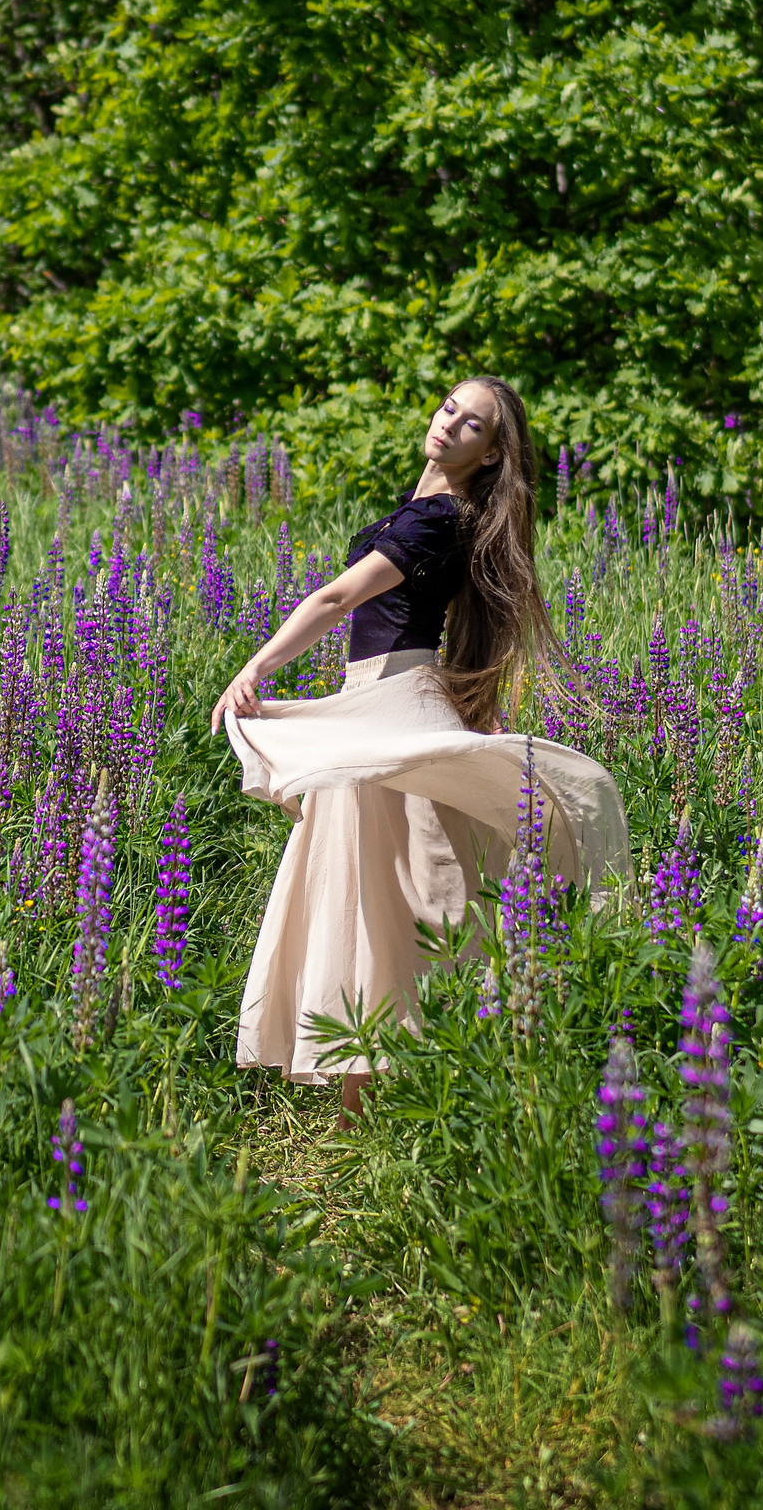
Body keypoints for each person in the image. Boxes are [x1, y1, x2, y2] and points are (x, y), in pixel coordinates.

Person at [211, 378, 629, 1113]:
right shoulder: (429, 511)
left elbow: (337, 598)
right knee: (374, 895)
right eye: (449, 408)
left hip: (396, 704)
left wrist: (257, 666)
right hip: (382, 700)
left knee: (391, 897)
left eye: (473, 425)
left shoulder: (439, 518)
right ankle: (369, 1097)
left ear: (491, 452)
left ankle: (423, 1078)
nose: (450, 424)